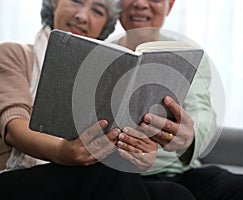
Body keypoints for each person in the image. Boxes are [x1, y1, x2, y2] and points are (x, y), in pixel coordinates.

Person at [0, 0, 196, 199]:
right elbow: (14, 130)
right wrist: (63, 152)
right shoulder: (14, 54)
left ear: (106, 25)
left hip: (82, 177)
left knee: (175, 194)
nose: (82, 16)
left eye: (97, 11)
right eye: (76, 1)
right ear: (54, 4)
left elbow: (114, 144)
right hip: (16, 176)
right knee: (107, 173)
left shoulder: (106, 77)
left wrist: (140, 154)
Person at [110, 0, 243, 199]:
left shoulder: (186, 55)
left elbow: (202, 109)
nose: (141, 4)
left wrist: (190, 136)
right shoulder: (99, 54)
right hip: (123, 176)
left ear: (169, 6)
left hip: (182, 172)